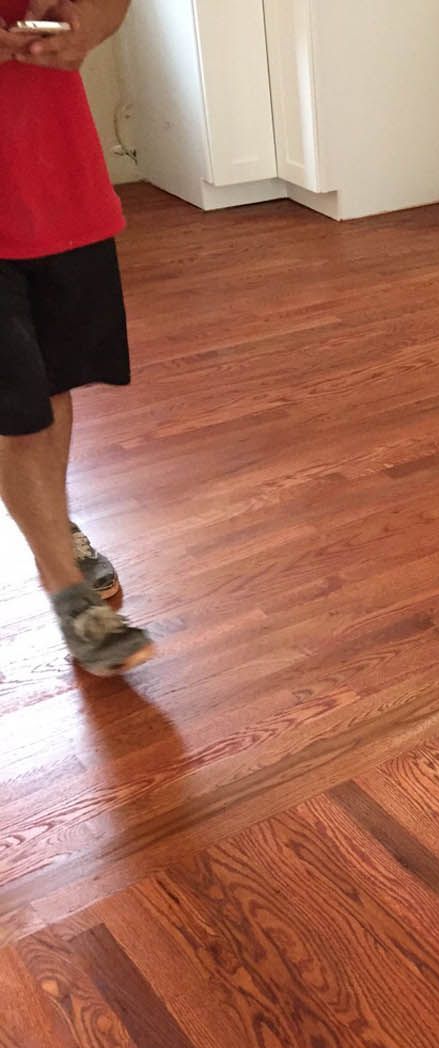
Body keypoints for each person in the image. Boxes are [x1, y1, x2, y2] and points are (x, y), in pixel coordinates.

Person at [0, 0, 153, 676]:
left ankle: (53, 526)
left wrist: (90, 22)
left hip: (59, 180)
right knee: (16, 407)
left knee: (54, 383)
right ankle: (70, 593)